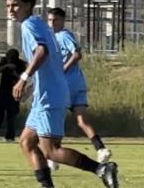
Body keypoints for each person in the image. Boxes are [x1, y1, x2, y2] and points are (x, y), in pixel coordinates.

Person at [5, 0, 119, 188]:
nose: (11, 10)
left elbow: (42, 52)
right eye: (9, 5)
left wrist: (24, 77)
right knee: (27, 142)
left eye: (16, 5)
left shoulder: (30, 24)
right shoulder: (37, 24)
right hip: (44, 93)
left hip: (51, 95)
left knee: (51, 151)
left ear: (28, 5)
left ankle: (102, 168)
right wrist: (33, 85)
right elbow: (42, 56)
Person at [48, 8, 112, 163]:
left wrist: (62, 70)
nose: (51, 23)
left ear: (62, 21)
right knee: (81, 120)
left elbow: (77, 54)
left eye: (55, 20)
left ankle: (54, 156)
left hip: (67, 84)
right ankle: (101, 149)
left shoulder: (62, 35)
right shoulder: (54, 36)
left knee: (57, 118)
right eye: (49, 20)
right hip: (77, 83)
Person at [0, 48, 23, 142]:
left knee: (11, 117)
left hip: (14, 92)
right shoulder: (4, 61)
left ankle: (10, 137)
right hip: (3, 91)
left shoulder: (20, 63)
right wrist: (7, 66)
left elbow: (23, 77)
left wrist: (15, 72)